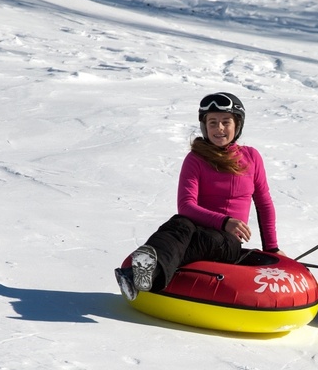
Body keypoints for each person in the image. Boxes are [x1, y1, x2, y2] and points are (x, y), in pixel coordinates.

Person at [115, 92, 283, 301]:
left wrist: (272, 248)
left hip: (228, 241)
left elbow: (264, 204)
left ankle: (144, 274)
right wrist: (224, 221)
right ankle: (140, 274)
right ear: (204, 126)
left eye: (225, 122)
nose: (219, 128)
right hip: (197, 227)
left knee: (209, 238)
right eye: (212, 122)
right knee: (179, 223)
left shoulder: (251, 157)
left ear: (237, 125)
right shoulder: (195, 159)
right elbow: (186, 205)